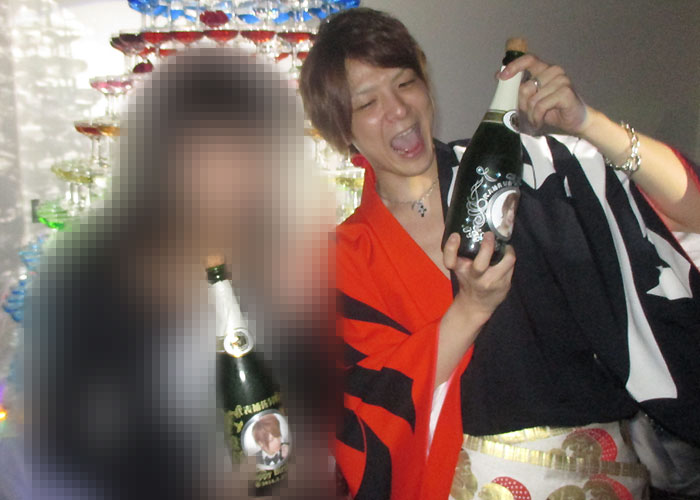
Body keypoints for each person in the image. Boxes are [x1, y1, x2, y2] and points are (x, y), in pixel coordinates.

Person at [299, 8, 700, 500]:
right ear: (342, 131)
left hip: (603, 481)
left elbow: (688, 215)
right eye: (367, 102)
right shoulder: (343, 259)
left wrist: (588, 123)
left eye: (405, 83)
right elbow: (363, 415)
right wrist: (470, 310)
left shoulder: (519, 167)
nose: (398, 109)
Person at [23, 48, 337, 500]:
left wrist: (308, 468)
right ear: (164, 159)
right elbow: (61, 436)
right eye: (206, 152)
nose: (229, 175)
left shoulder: (284, 265)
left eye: (246, 149)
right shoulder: (95, 272)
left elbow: (323, 406)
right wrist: (197, 490)